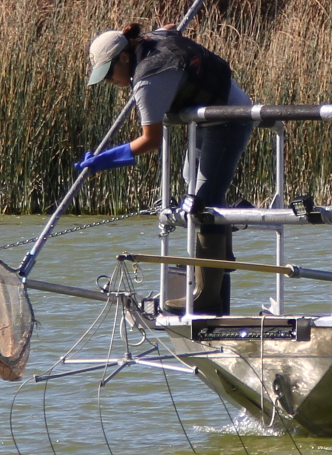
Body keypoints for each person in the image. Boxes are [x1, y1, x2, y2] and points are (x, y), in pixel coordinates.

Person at [80, 22, 255, 317]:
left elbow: (152, 139)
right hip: (205, 119)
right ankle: (222, 253)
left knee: (203, 202)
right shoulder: (151, 39)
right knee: (191, 184)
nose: (109, 80)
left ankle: (206, 298)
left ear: (125, 57)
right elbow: (171, 29)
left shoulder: (148, 79)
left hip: (230, 118)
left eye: (109, 73)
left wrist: (104, 161)